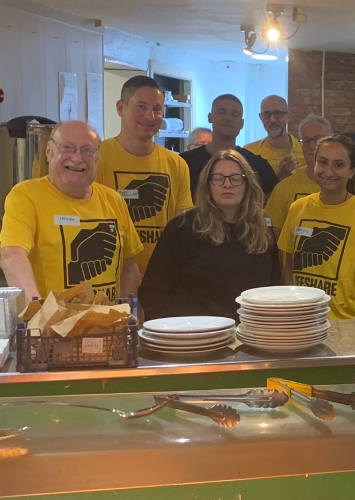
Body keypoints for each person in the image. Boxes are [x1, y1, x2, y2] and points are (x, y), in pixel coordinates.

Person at [0, 120, 142, 302]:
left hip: (107, 327)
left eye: (87, 150)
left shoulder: (113, 200)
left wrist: (130, 318)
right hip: (53, 326)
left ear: (97, 158)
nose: (77, 158)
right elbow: (12, 256)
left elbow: (129, 268)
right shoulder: (25, 196)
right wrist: (38, 315)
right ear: (49, 152)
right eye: (67, 148)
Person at [139, 150, 281, 320]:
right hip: (196, 337)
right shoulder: (182, 227)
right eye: (218, 178)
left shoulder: (263, 228)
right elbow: (153, 292)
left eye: (236, 178)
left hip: (251, 334)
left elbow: (276, 288)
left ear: (247, 183)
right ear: (207, 184)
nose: (227, 184)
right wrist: (178, 333)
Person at [278, 135, 355, 319]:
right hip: (302, 321)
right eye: (323, 162)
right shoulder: (298, 208)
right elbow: (288, 268)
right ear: (314, 164)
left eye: (338, 165)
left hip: (348, 326)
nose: (328, 171)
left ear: (352, 171)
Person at [95, 75, 193, 274]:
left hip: (161, 278)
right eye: (141, 106)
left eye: (157, 109)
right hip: (110, 277)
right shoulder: (96, 157)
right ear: (121, 108)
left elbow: (181, 224)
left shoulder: (176, 164)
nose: (150, 116)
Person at [180, 94, 278, 202]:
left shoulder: (258, 166)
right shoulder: (185, 163)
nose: (228, 118)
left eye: (234, 114)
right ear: (210, 117)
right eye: (222, 112)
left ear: (242, 123)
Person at [265, 113, 332, 239]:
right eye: (306, 141)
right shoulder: (284, 188)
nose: (312, 146)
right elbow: (274, 238)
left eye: (318, 139)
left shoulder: (346, 184)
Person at [244, 95, 306, 179]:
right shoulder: (249, 153)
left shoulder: (305, 151)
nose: (272, 120)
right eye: (266, 115)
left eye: (278, 114)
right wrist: (278, 177)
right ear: (261, 118)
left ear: (288, 116)